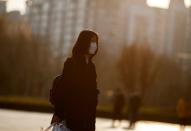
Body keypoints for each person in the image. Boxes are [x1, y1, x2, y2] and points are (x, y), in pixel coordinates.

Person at [50, 30, 99, 131]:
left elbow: (93, 95)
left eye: (96, 42)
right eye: (92, 41)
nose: (94, 45)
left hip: (88, 119)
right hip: (71, 117)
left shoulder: (91, 67)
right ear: (84, 42)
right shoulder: (71, 63)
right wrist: (58, 113)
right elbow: (64, 90)